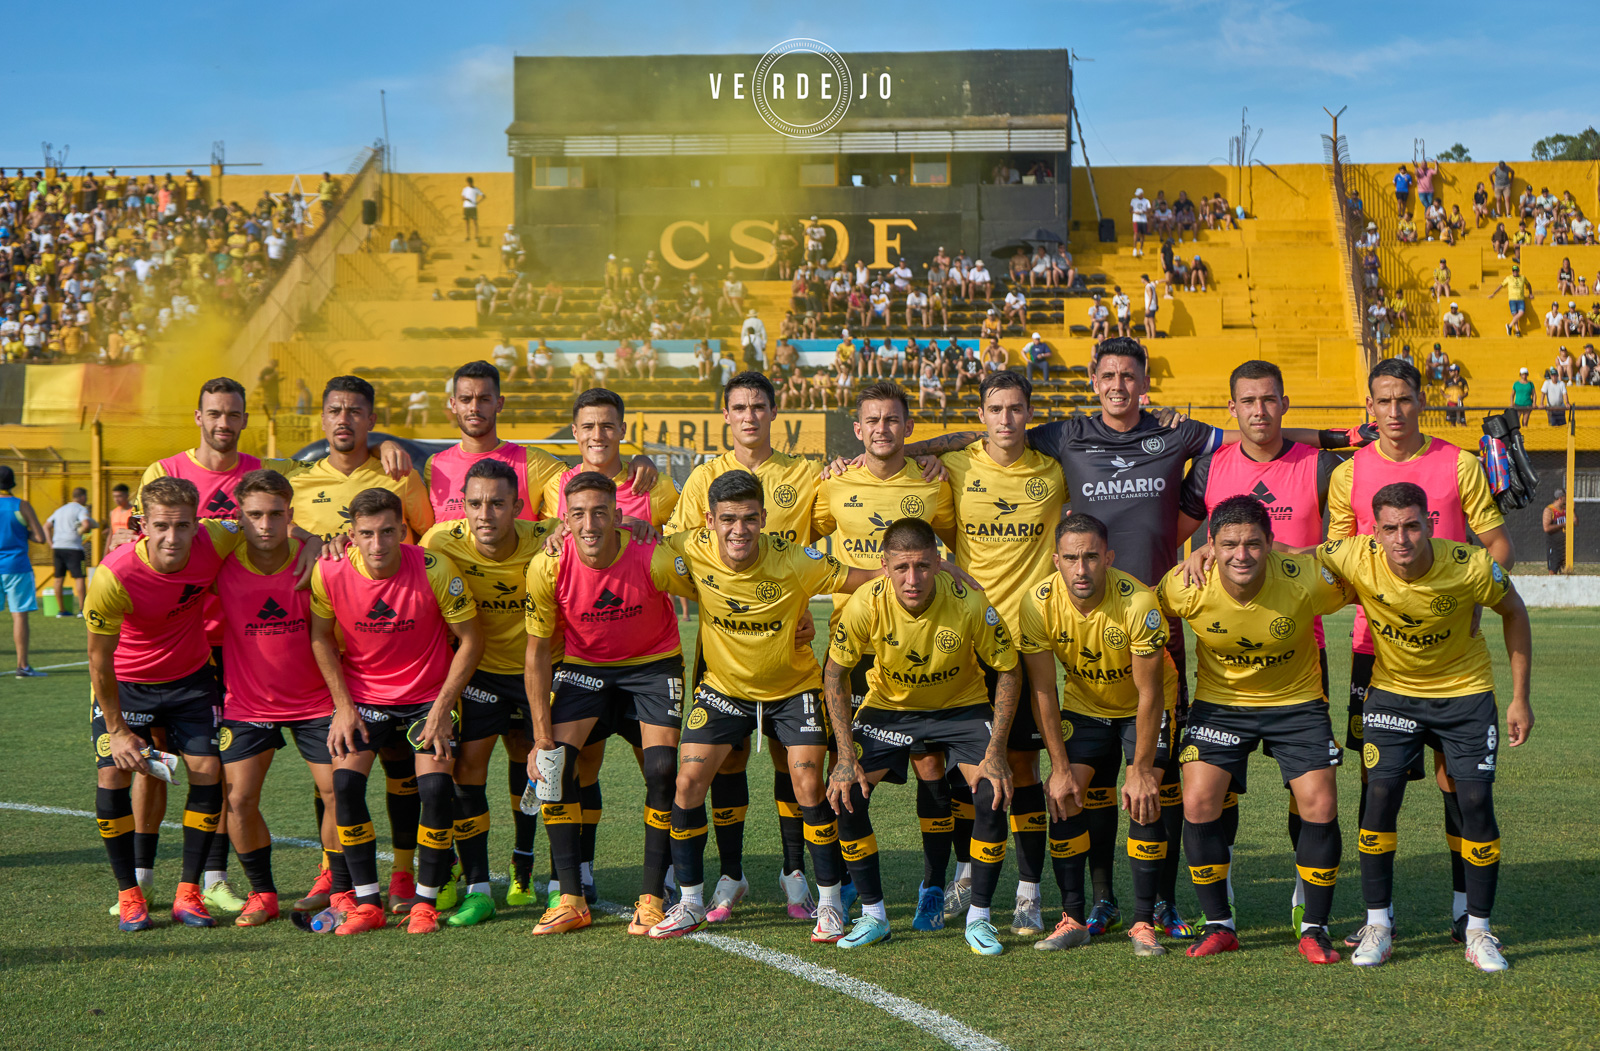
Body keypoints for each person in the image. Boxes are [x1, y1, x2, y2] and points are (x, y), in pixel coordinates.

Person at [1325, 356, 1513, 949]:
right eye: (1383, 402)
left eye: (1404, 399)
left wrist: (1466, 600)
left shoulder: (1459, 463)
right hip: (1375, 651)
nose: (1394, 411)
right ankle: (1378, 915)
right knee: (1379, 784)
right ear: (1370, 408)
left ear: (1420, 401)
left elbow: (1498, 544)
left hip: (1452, 655)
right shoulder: (1348, 473)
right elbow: (1331, 560)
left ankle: (1466, 913)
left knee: (1457, 784)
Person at [647, 470, 880, 941]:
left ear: (764, 518)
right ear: (709, 520)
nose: (739, 530)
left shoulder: (794, 559)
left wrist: (916, 565)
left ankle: (830, 903)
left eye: (750, 519)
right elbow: (632, 551)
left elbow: (861, 577)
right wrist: (623, 528)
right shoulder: (686, 548)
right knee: (687, 781)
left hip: (792, 690)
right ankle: (690, 901)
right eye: (728, 519)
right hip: (724, 690)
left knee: (808, 782)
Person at [1318, 482, 1531, 972]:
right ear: (1374, 531)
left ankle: (1477, 930)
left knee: (1474, 801)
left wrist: (1520, 698)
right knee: (1381, 793)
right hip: (1393, 693)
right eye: (1390, 528)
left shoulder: (1471, 565)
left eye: (1412, 525)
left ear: (1430, 523)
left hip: (1465, 694)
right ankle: (1378, 924)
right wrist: (1208, 548)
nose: (1402, 538)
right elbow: (1292, 556)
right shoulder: (1354, 554)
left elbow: (1514, 611)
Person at [1174, 359, 1347, 924]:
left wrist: (1298, 557)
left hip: (1301, 644)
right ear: (1232, 408)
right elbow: (1170, 538)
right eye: (1248, 401)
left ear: (1284, 404)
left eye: (1269, 400)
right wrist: (1199, 551)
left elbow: (1350, 551)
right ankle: (1218, 902)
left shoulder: (1321, 467)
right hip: (1226, 649)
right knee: (1214, 789)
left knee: (1310, 792)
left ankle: (1305, 893)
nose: (1259, 411)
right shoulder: (1208, 468)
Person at [86, 477, 297, 932]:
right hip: (128, 683)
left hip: (191, 680)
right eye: (162, 526)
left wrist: (320, 542)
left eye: (183, 526)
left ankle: (189, 892)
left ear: (197, 524)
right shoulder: (113, 574)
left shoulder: (215, 536)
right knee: (112, 772)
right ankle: (129, 895)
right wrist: (118, 730)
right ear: (142, 524)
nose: (173, 537)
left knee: (207, 771)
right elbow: (98, 662)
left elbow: (267, 528)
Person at [666, 372, 831, 920]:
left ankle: (795, 875)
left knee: (795, 767)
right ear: (726, 415)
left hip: (789, 644)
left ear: (775, 411)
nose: (749, 416)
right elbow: (682, 549)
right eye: (739, 407)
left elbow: (837, 535)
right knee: (726, 762)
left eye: (759, 406)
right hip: (726, 652)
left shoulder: (805, 474)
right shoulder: (703, 478)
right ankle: (730, 876)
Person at [1160, 496, 1353, 963]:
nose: (1240, 555)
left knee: (1320, 801)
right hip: (1221, 705)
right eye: (1228, 544)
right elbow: (1147, 610)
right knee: (1198, 799)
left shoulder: (1303, 578)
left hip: (1297, 703)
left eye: (1252, 543)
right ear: (1210, 545)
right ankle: (1220, 925)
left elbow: (1362, 585)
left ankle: (1315, 927)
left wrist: (1298, 552)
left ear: (1270, 544)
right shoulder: (1187, 584)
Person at [823, 518, 1020, 953]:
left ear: (938, 562)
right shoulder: (864, 603)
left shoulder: (970, 602)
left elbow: (1008, 669)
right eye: (902, 568)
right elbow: (834, 675)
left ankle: (979, 919)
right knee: (846, 792)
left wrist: (997, 750)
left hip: (961, 708)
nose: (913, 579)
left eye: (923, 567)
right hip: (889, 709)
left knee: (991, 793)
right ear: (885, 566)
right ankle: (874, 917)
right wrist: (843, 755)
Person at [523, 471, 693, 936]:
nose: (590, 523)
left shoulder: (651, 557)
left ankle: (653, 897)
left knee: (661, 771)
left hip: (653, 667)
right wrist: (541, 740)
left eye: (600, 512)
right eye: (578, 514)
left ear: (618, 516)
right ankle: (571, 899)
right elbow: (537, 654)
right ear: (565, 520)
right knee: (554, 768)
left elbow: (713, 596)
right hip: (585, 669)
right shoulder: (548, 565)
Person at [307, 487, 484, 935]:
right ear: (352, 535)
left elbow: (471, 639)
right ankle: (367, 903)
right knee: (345, 785)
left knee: (435, 791)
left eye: (388, 532)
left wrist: (443, 707)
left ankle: (424, 903)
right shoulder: (328, 571)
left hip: (429, 697)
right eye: (367, 534)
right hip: (365, 699)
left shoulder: (434, 568)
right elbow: (320, 639)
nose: (378, 544)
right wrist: (343, 707)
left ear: (403, 530)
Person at [1020, 513, 1177, 958]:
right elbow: (1043, 690)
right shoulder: (1037, 603)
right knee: (1065, 796)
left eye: (1091, 556)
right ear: (1056, 561)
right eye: (1071, 558)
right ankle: (1072, 919)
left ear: (1108, 557)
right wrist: (1060, 768)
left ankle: (1143, 922)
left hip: (1142, 710)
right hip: (1086, 708)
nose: (1081, 568)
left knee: (1144, 798)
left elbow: (1149, 694)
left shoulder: (1138, 602)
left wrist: (1141, 769)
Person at [418, 460, 552, 923]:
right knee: (467, 770)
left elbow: (594, 525)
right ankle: (474, 880)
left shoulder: (549, 537)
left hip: (538, 672)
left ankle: (523, 863)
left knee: (531, 763)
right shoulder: (439, 541)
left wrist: (634, 523)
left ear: (518, 506)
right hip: (481, 674)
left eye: (497, 504)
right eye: (475, 503)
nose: (485, 514)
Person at [214, 469, 340, 928]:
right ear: (239, 517)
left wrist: (317, 540)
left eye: (275, 515)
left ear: (291, 515)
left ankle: (332, 879)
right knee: (239, 800)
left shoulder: (317, 562)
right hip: (248, 703)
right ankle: (262, 893)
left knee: (336, 792)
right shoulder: (221, 565)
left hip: (315, 701)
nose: (264, 525)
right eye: (254, 515)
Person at [0, 465, 47, 676]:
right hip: (17, 567)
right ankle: (22, 666)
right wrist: (22, 531)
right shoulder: (22, 505)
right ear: (12, 482)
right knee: (19, 615)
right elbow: (40, 537)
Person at [46, 487, 97, 617]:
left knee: (58, 579)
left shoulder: (59, 510)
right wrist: (81, 532)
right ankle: (82, 610)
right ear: (83, 497)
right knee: (79, 577)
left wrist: (51, 543)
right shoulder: (81, 509)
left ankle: (62, 611)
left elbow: (46, 526)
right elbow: (85, 525)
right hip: (74, 548)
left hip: (58, 547)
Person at [1487, 262, 1532, 336]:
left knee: (1521, 313)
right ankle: (1517, 330)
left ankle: (1510, 326)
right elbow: (1501, 285)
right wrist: (1494, 293)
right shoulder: (1509, 278)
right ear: (1512, 271)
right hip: (1512, 299)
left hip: (1520, 299)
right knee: (1515, 315)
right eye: (1514, 271)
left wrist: (1530, 293)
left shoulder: (1522, 277)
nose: (1515, 272)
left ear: (1518, 271)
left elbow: (1528, 284)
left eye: (1516, 271)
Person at [1543, 489, 1572, 575]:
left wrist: (1572, 511)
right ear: (1560, 498)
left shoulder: (1566, 509)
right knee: (1553, 570)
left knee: (1565, 571)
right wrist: (1562, 525)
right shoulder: (1549, 510)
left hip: (1565, 545)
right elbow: (1546, 528)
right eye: (1565, 497)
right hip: (1554, 545)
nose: (1566, 500)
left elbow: (1575, 521)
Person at [106, 484, 136, 552]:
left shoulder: (134, 512)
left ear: (127, 496)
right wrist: (106, 553)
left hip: (128, 547)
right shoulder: (113, 512)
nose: (116, 499)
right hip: (115, 548)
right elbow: (111, 534)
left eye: (119, 496)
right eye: (114, 496)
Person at [461, 177, 485, 242]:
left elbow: (483, 196)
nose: (469, 183)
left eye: (470, 182)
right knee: (467, 223)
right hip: (466, 207)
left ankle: (476, 237)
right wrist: (465, 199)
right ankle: (467, 237)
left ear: (472, 182)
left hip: (473, 207)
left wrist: (478, 202)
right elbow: (462, 198)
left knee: (475, 222)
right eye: (468, 182)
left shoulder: (476, 189)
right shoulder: (465, 189)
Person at [1130, 189, 1152, 257]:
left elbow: (1149, 210)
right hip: (1136, 219)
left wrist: (1143, 212)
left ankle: (1141, 249)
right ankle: (1134, 249)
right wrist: (1135, 212)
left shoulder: (1146, 201)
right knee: (1136, 233)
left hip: (1143, 220)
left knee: (1142, 235)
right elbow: (1130, 210)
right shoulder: (1133, 200)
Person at [1142, 274, 1160, 339]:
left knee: (1151, 321)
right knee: (1146, 321)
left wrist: (1148, 307)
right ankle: (1149, 335)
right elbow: (1156, 296)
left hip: (1150, 307)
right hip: (1152, 306)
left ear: (1144, 279)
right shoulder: (1152, 286)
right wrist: (1157, 304)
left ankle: (1153, 336)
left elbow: (1150, 296)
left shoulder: (1148, 286)